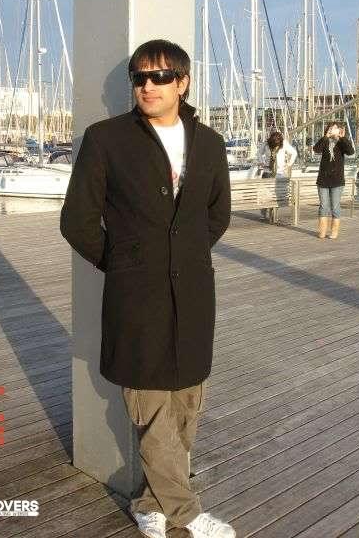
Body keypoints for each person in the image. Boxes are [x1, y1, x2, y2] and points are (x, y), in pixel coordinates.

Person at [60, 39, 234, 538]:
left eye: (160, 76)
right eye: (139, 77)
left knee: (187, 403)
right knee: (151, 406)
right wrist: (126, 264)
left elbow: (216, 215)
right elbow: (77, 221)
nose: (148, 86)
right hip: (137, 298)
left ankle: (149, 502)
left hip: (194, 295)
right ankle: (185, 512)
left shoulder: (210, 143)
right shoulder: (106, 140)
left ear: (183, 83)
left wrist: (184, 255)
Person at [313, 121, 355, 239]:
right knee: (323, 206)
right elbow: (316, 149)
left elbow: (350, 151)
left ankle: (334, 231)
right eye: (331, 128)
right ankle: (322, 231)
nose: (333, 130)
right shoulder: (325, 141)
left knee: (335, 206)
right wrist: (325, 136)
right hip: (323, 179)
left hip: (337, 180)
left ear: (340, 130)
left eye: (335, 128)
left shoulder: (341, 143)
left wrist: (342, 137)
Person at [259, 130, 297, 220]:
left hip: (279, 172)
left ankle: (273, 215)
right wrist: (262, 162)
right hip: (267, 171)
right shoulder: (266, 144)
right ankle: (264, 213)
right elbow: (259, 153)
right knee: (266, 194)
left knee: (277, 194)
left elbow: (294, 153)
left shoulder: (284, 143)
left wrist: (289, 164)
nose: (275, 146)